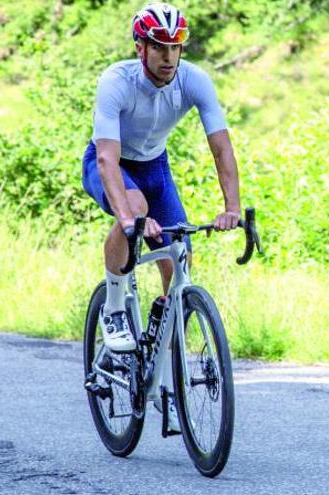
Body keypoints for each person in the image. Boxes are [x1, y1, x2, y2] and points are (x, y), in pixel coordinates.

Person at [81, 2, 241, 355]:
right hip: (109, 163)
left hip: (156, 168)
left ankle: (163, 347)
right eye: (158, 45)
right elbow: (107, 157)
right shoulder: (116, 81)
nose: (168, 56)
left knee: (179, 257)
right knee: (135, 208)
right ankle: (114, 307)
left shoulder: (194, 80)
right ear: (141, 47)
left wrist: (232, 206)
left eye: (175, 46)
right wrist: (126, 218)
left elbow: (221, 148)